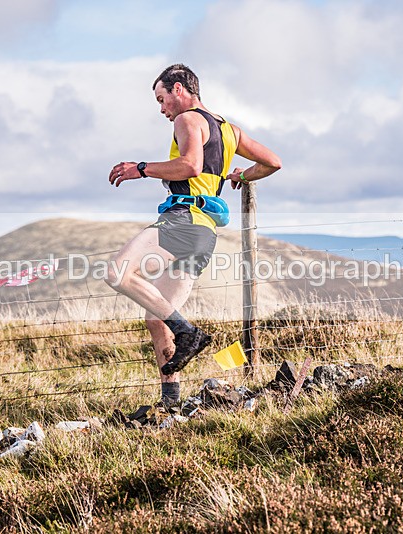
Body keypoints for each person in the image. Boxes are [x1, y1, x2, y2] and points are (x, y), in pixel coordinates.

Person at [107, 63, 281, 407]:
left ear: (178, 90)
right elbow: (273, 162)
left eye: (161, 99)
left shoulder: (187, 119)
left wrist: (139, 169)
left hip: (182, 218)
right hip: (205, 233)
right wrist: (242, 177)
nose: (161, 109)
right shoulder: (229, 129)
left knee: (118, 273)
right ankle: (170, 402)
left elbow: (190, 166)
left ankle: (187, 331)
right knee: (156, 318)